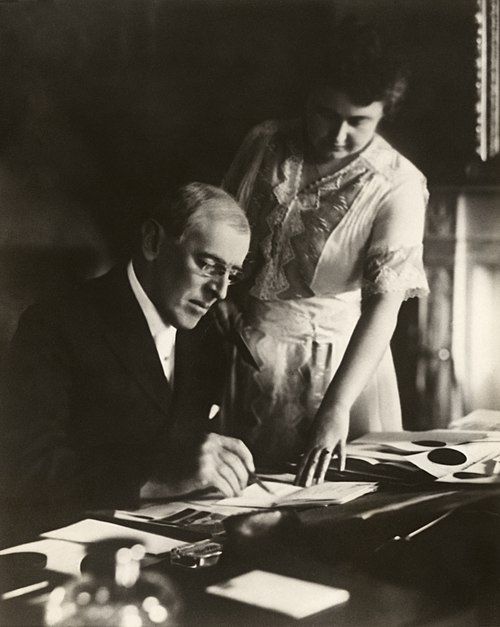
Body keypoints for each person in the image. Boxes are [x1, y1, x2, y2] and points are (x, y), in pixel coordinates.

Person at [216, 20, 429, 486]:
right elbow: (218, 230)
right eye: (325, 114)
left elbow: (383, 308)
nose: (337, 134)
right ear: (307, 98)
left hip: (337, 368)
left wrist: (335, 409)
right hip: (245, 353)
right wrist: (225, 298)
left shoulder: (398, 184)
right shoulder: (266, 143)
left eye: (358, 122)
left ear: (383, 113)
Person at [0, 182, 255, 526]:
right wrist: (158, 477)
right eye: (208, 265)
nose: (220, 292)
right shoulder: (55, 323)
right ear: (152, 242)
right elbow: (22, 466)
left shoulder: (208, 335)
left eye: (231, 274)